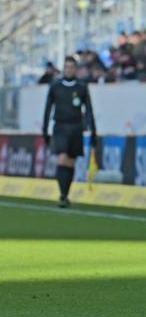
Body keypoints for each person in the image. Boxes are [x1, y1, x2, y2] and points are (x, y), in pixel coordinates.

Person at [42, 56, 97, 208]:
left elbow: (89, 110)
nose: (69, 70)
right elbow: (48, 109)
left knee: (71, 162)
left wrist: (93, 132)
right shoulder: (55, 86)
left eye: (72, 67)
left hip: (76, 127)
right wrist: (44, 130)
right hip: (60, 127)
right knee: (62, 158)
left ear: (76, 69)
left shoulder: (81, 87)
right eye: (66, 67)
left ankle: (65, 194)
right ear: (63, 68)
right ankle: (62, 195)